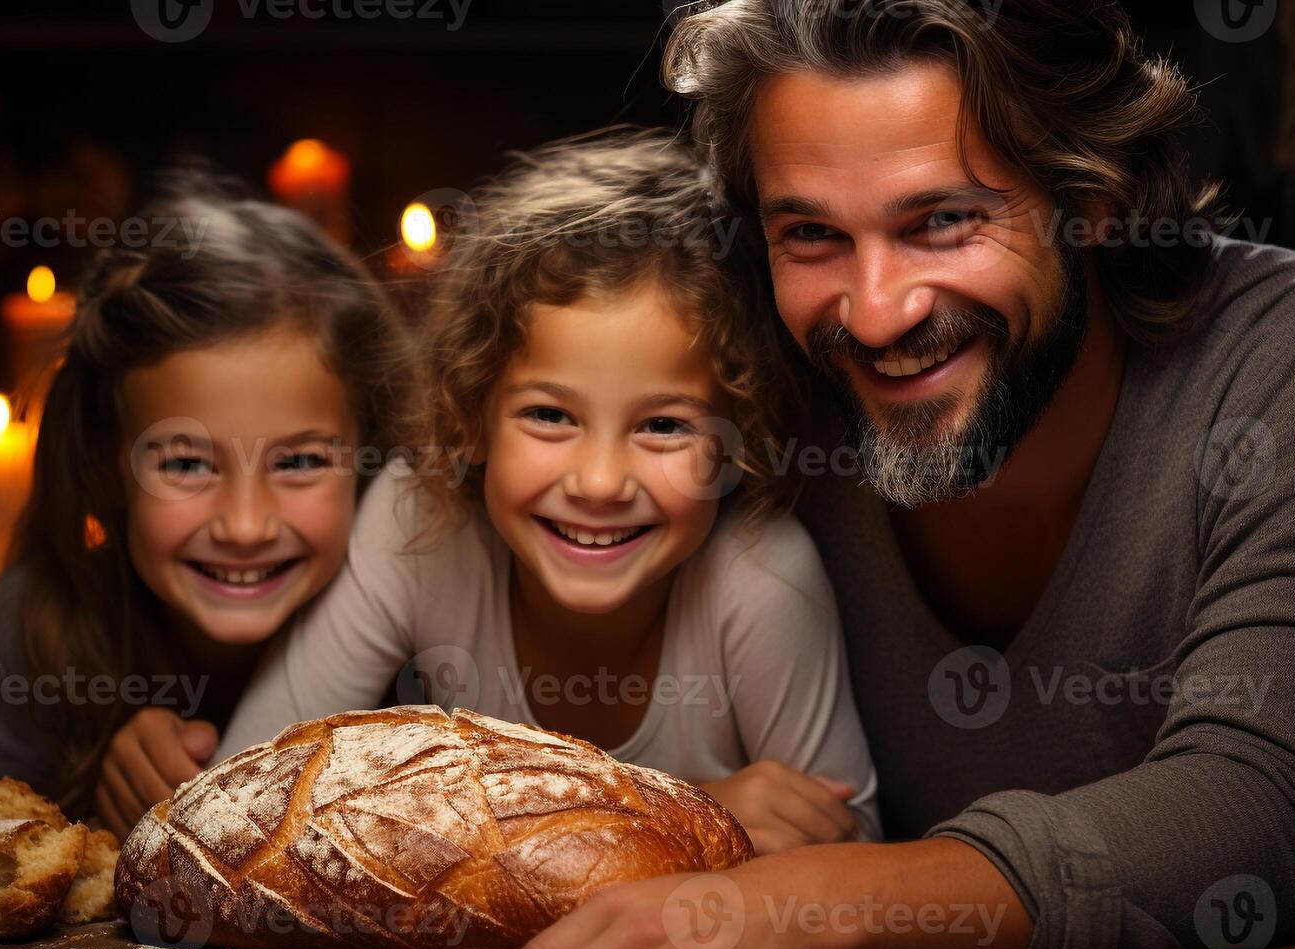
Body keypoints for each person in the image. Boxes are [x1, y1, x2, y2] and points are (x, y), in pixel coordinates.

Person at [503, 3, 1295, 949]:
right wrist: (696, 812)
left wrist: (799, 906)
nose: (872, 315)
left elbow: (1258, 805)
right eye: (812, 235)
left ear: (1093, 197)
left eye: (941, 221)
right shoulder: (756, 379)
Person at [217, 129, 882, 852]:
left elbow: (848, 864)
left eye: (662, 425)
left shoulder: (759, 579)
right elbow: (239, 799)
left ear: (738, 440)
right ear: (470, 419)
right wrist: (669, 816)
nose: (598, 482)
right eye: (548, 415)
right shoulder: (421, 517)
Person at [0, 176, 416, 840]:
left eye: (300, 461)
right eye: (186, 464)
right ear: (109, 462)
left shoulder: (420, 629)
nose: (245, 526)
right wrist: (95, 810)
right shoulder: (45, 618)